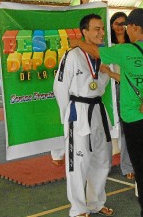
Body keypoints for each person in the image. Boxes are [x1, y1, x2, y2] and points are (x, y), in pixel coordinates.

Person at [70, 8, 143, 217]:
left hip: (136, 121)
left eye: (126, 26)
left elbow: (95, 52)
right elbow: (136, 82)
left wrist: (77, 43)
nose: (125, 30)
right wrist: (111, 73)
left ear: (134, 27)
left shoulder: (127, 51)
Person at [53, 14, 114, 217]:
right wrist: (67, 116)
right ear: (84, 32)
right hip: (78, 111)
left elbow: (103, 82)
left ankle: (96, 202)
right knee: (78, 163)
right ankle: (78, 208)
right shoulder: (71, 56)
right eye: (96, 29)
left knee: (102, 159)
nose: (101, 32)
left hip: (98, 109)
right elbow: (60, 88)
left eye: (102, 28)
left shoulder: (106, 55)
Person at [110, 12, 134, 180]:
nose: (120, 26)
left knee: (127, 128)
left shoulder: (132, 45)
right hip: (108, 90)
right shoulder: (106, 45)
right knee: (107, 127)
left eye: (123, 23)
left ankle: (127, 166)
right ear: (111, 25)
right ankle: (103, 165)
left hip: (127, 89)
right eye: (116, 23)